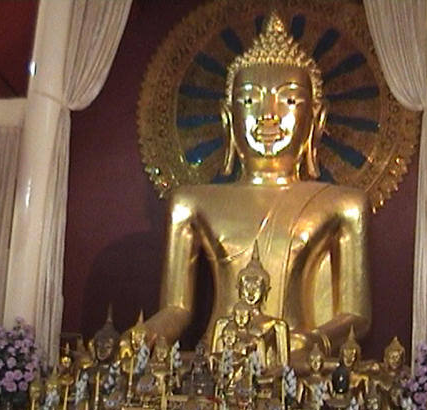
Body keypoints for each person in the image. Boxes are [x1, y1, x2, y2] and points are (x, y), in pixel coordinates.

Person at [146, 12, 372, 362]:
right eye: (250, 99)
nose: (268, 114)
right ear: (227, 117)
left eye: (289, 99)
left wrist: (310, 341)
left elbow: (356, 316)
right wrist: (142, 336)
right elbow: (177, 309)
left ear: (317, 118)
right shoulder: (190, 202)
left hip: (297, 363)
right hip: (215, 363)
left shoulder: (344, 205)